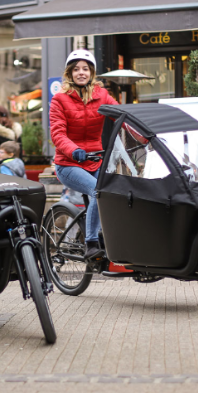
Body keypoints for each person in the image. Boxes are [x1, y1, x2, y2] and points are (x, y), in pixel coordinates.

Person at [49, 49, 118, 261]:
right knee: (97, 191)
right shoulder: (60, 99)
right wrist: (73, 150)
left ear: (92, 72)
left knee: (115, 193)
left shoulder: (102, 95)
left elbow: (122, 116)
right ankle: (90, 243)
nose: (81, 73)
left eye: (85, 69)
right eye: (76, 69)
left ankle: (111, 239)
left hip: (95, 161)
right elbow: (57, 133)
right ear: (69, 73)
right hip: (69, 164)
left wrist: (146, 136)